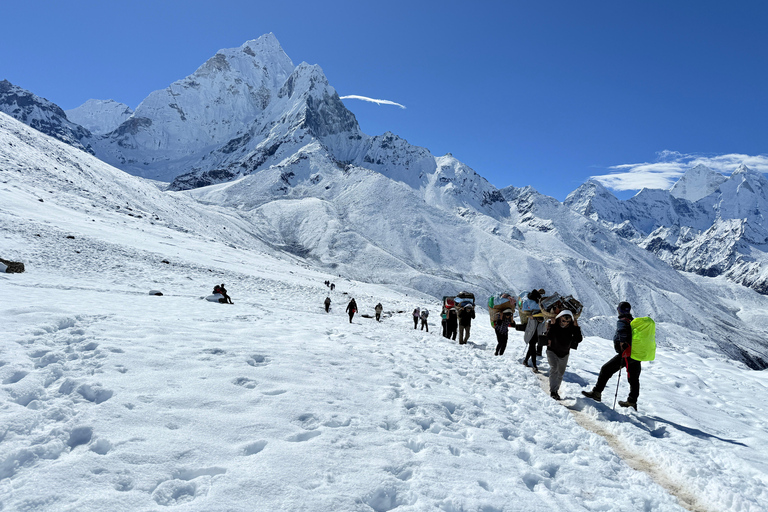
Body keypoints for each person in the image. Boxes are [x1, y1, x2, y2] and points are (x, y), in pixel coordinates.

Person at [582, 302, 640, 410]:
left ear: (619, 310)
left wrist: (622, 343)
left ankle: (597, 392)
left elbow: (622, 331)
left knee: (606, 369)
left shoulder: (622, 321)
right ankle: (632, 401)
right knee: (634, 379)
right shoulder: (632, 321)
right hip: (636, 354)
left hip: (626, 353)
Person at [546, 310, 582, 400]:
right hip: (552, 351)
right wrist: (552, 325)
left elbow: (578, 339)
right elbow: (549, 336)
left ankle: (556, 390)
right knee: (554, 368)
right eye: (563, 321)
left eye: (567, 321)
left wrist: (576, 327)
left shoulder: (572, 327)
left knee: (560, 373)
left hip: (564, 353)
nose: (565, 323)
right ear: (560, 318)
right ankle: (553, 391)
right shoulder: (554, 324)